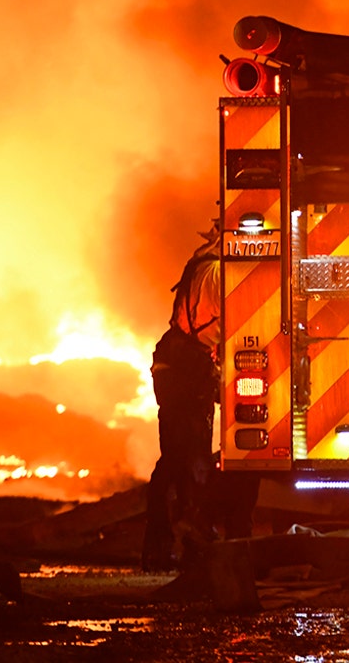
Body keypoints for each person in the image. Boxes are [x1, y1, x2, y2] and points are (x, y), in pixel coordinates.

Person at [142, 245, 222, 571]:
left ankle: (165, 546)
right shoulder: (216, 274)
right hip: (185, 368)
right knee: (190, 463)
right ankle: (186, 545)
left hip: (177, 365)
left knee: (176, 462)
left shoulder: (201, 269)